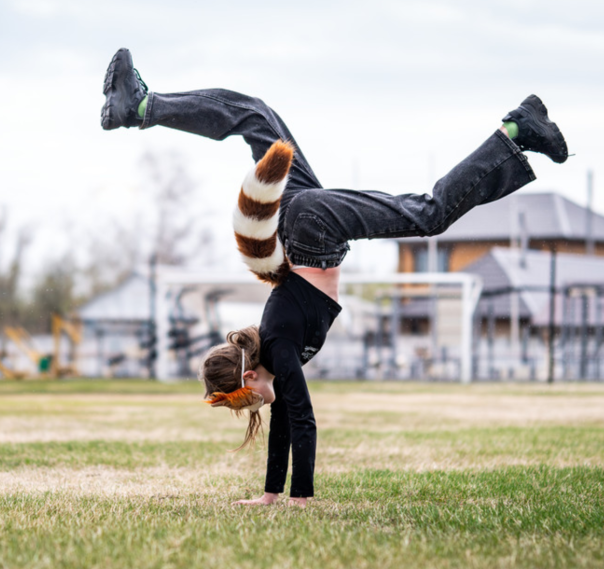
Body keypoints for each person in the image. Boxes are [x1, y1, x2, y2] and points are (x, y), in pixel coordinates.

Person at [101, 48, 568, 507]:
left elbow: (303, 421)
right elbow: (286, 420)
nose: (260, 405)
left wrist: (299, 499)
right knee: (257, 116)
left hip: (310, 228)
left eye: (250, 401)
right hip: (300, 222)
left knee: (428, 214)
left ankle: (516, 130)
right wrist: (270, 495)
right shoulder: (274, 352)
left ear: (247, 376)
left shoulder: (279, 347)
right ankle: (141, 107)